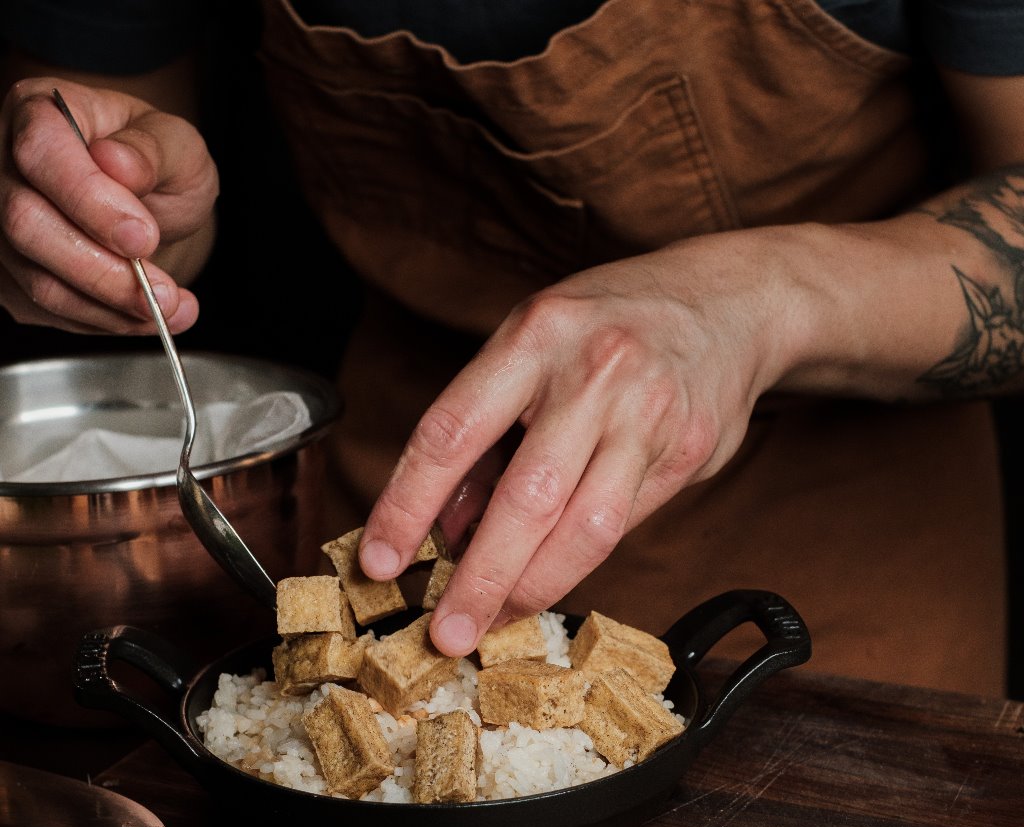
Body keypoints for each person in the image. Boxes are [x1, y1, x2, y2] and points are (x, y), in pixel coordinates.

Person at [1, 1, 1022, 695]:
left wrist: (758, 306)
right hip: (418, 490)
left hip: (843, 576)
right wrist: (108, 217)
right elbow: (120, 127)